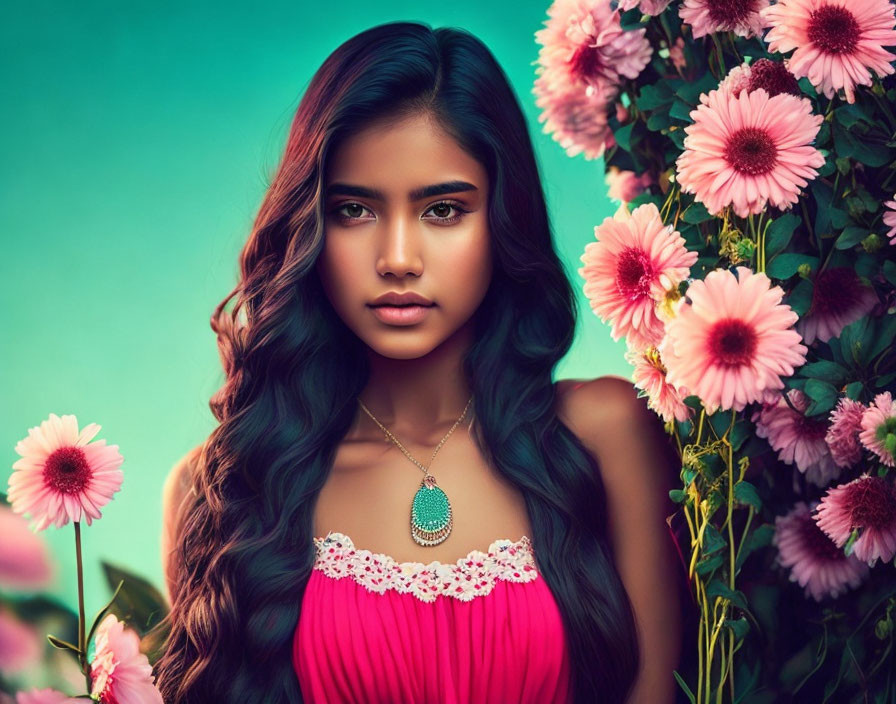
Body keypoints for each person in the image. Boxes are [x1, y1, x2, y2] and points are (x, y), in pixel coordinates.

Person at [149, 20, 686, 704]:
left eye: (442, 209)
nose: (397, 258)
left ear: (502, 218)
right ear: (310, 225)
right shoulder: (223, 491)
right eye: (354, 210)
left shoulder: (605, 435)